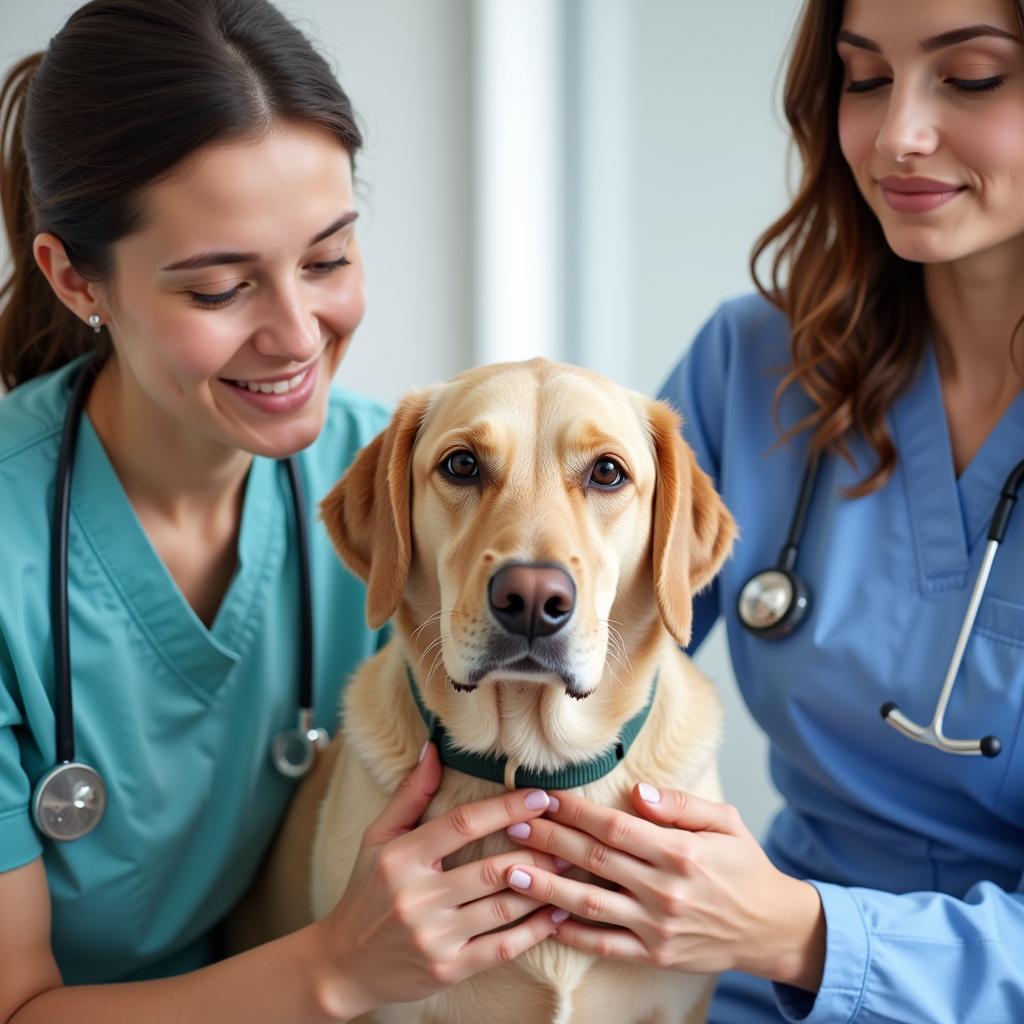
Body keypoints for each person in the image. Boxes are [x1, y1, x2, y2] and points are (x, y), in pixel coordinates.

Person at [0, 2, 568, 1020]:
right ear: (75, 277)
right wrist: (337, 969)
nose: (298, 335)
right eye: (221, 288)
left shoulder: (409, 481)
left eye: (328, 259)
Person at [499, 0, 1024, 1020]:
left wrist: (803, 931)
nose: (897, 134)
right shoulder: (756, 365)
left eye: (969, 77)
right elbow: (575, 661)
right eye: (864, 79)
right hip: (755, 986)